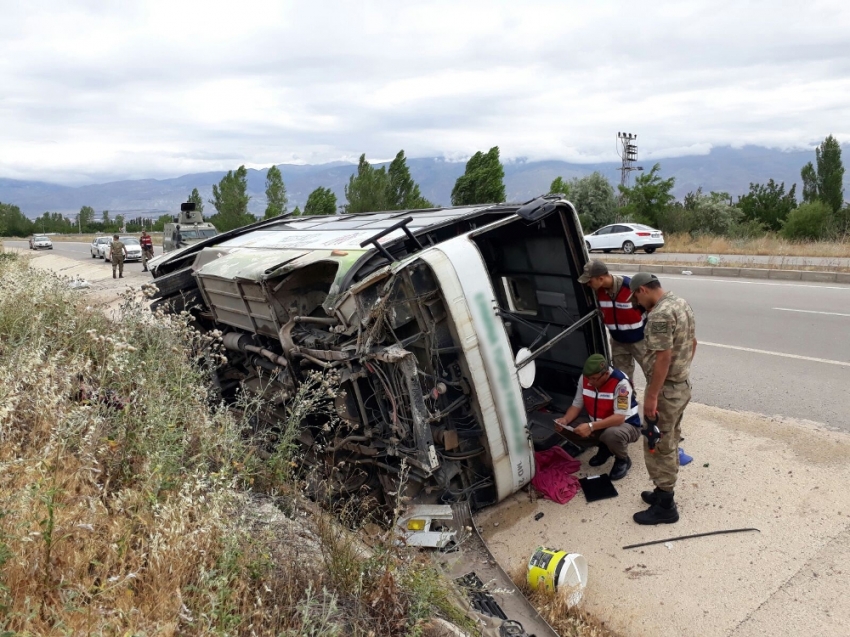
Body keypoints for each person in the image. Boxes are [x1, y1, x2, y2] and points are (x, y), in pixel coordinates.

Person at [627, 272, 697, 525]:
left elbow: (663, 357)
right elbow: (693, 343)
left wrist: (652, 396)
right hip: (681, 386)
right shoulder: (680, 302)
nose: (637, 303)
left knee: (660, 445)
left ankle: (666, 505)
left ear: (643, 290)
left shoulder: (659, 314)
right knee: (670, 436)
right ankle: (660, 492)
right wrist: (682, 372)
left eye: (636, 297)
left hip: (666, 391)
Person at [554, 353, 641, 481]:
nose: (590, 382)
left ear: (605, 374)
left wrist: (590, 426)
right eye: (588, 378)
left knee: (611, 435)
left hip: (627, 425)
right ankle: (604, 448)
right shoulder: (585, 379)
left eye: (594, 378)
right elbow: (576, 405)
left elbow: (619, 417)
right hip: (598, 422)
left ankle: (622, 459)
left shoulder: (621, 383)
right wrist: (565, 420)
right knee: (567, 427)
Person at [578, 260, 648, 382]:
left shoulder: (630, 288)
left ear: (600, 278)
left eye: (590, 281)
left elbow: (650, 310)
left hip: (641, 341)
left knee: (653, 374)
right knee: (622, 380)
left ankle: (655, 400)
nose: (588, 284)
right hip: (618, 342)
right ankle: (630, 400)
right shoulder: (596, 292)